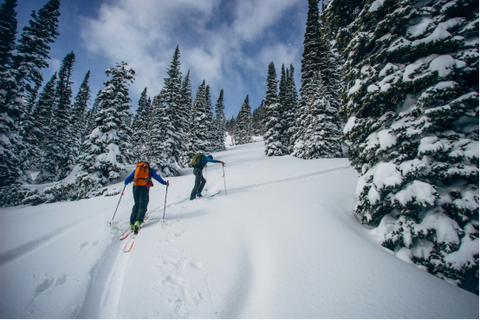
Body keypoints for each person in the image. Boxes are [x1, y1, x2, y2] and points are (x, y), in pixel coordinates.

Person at [125, 162, 169, 234]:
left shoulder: (137, 169)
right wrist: (165, 183)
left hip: (135, 188)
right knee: (143, 205)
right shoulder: (150, 170)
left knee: (136, 204)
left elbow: (127, 180)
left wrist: (127, 183)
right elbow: (157, 177)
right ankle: (138, 221)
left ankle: (132, 222)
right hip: (144, 189)